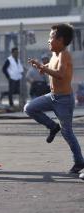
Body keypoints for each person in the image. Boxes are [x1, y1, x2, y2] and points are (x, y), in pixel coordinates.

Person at [25, 23, 84, 174]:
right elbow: (51, 67)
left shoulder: (65, 54)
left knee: (67, 133)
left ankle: (79, 163)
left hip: (64, 100)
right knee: (30, 108)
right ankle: (52, 126)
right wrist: (41, 67)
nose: (48, 40)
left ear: (61, 40)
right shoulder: (54, 54)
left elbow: (60, 74)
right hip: (52, 96)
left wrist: (44, 68)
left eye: (51, 37)